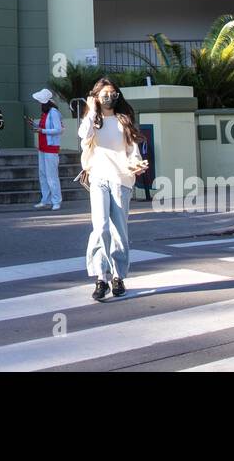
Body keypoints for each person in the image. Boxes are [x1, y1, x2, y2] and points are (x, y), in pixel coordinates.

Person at [78, 77, 149, 302]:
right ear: (97, 96)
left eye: (113, 94)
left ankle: (118, 276)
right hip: (98, 177)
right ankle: (101, 277)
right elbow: (83, 135)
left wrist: (136, 164)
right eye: (105, 94)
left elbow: (132, 150)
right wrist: (91, 109)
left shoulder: (123, 120)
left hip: (122, 179)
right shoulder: (93, 120)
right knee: (100, 228)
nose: (110, 98)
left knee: (120, 231)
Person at [26, 88, 63, 210]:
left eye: (40, 101)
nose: (39, 104)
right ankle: (45, 199)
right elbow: (43, 127)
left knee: (52, 175)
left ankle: (56, 200)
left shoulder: (53, 112)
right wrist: (35, 125)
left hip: (51, 148)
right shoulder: (46, 113)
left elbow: (58, 130)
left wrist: (42, 130)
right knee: (43, 174)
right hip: (42, 148)